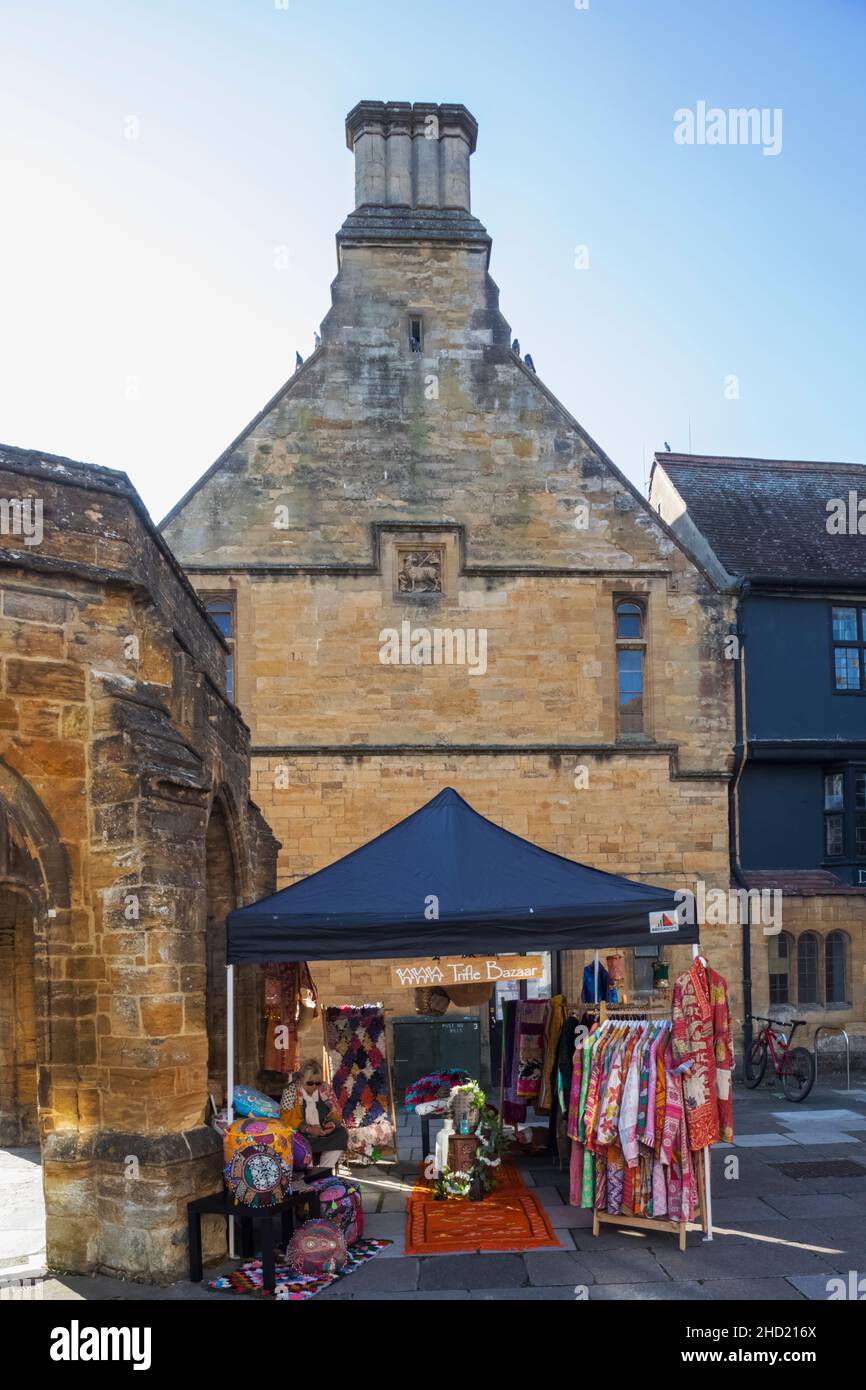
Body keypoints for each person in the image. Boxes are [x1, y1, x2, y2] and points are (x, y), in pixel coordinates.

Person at [280, 1058, 348, 1171]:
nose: (314, 1087)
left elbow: (336, 1111)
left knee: (341, 1134)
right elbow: (285, 1117)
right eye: (310, 1083)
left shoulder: (325, 1088)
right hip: (302, 1134)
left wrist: (330, 1125)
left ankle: (325, 1170)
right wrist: (307, 1128)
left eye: (318, 1083)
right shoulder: (290, 1090)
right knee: (294, 1139)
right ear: (301, 1078)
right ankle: (308, 1171)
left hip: (322, 1133)